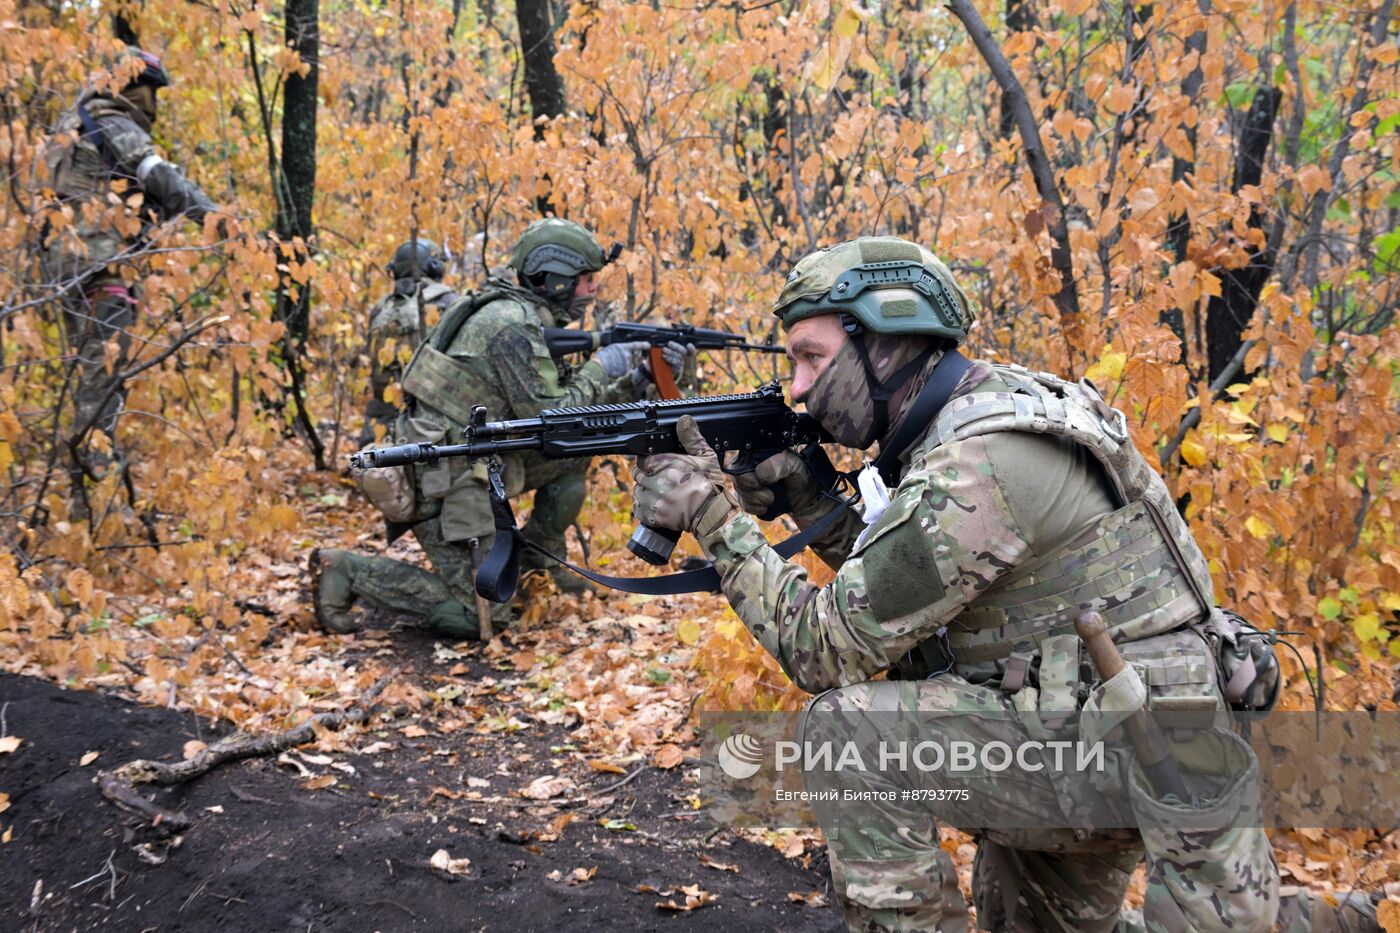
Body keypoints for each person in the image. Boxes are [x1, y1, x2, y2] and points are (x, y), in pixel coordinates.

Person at [630, 236, 1293, 932]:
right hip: (1113, 733)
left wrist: (711, 513)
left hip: (1125, 756)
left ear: (886, 345)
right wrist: (816, 502)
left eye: (811, 357)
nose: (796, 387)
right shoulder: (994, 405)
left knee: (852, 736)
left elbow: (823, 649)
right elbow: (917, 589)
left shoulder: (980, 464)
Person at [313, 218, 693, 637]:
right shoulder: (510, 324)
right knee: (486, 618)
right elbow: (557, 412)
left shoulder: (518, 314)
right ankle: (350, 571)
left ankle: (539, 564)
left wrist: (639, 375)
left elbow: (568, 415)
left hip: (474, 462)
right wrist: (603, 366)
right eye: (584, 279)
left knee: (574, 455)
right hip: (443, 482)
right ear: (555, 280)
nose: (592, 289)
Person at [39, 47, 225, 514]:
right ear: (131, 87)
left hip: (67, 271)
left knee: (91, 383)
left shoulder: (70, 127)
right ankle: (96, 510)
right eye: (150, 93)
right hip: (102, 268)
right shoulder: (111, 123)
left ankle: (92, 502)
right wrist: (220, 223)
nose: (153, 106)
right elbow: (159, 177)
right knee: (102, 390)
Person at [360, 238, 461, 446]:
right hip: (432, 421)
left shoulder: (381, 308)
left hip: (383, 417)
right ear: (435, 268)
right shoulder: (450, 302)